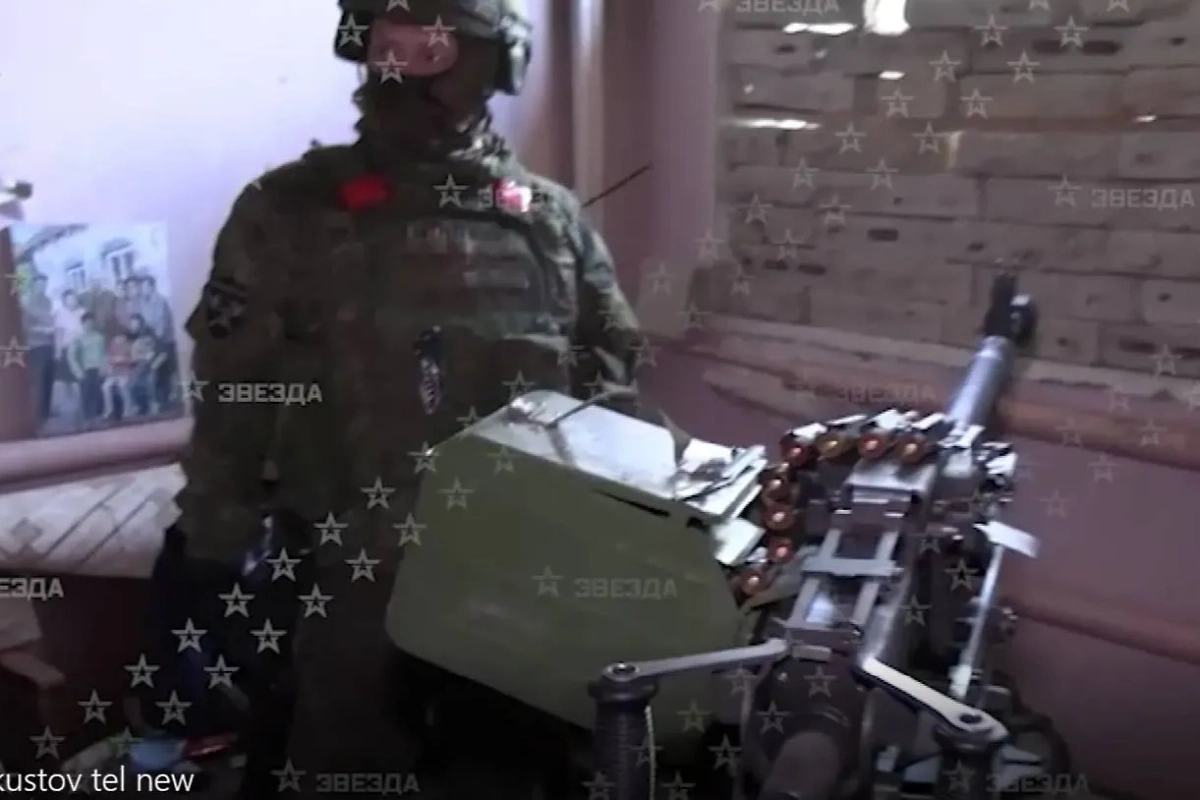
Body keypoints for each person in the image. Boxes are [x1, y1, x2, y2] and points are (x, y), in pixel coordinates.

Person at [149, 1, 643, 797]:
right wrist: (213, 545)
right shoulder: (288, 209)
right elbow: (233, 400)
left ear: (493, 59)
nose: (402, 65)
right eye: (386, 41)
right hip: (347, 583)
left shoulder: (551, 223)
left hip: (519, 584)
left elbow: (613, 403)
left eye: (431, 44)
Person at [20, 273, 56, 426]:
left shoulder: (47, 301)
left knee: (49, 380)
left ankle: (46, 413)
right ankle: (38, 417)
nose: (42, 287)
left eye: (44, 284)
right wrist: (43, 330)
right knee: (39, 382)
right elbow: (25, 327)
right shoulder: (27, 302)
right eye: (39, 284)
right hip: (35, 346)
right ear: (33, 285)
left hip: (49, 345)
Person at [66, 312, 107, 425]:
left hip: (97, 369)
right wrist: (78, 372)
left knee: (99, 394)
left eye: (91, 323)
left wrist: (104, 368)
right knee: (86, 396)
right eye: (87, 323)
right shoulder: (77, 339)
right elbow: (71, 357)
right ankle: (87, 420)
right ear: (83, 324)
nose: (89, 325)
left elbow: (103, 354)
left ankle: (99, 417)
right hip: (85, 371)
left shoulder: (99, 337)